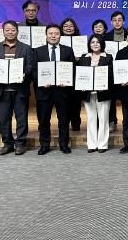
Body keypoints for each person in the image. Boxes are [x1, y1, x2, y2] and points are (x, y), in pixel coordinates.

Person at [0, 20, 34, 156]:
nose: (10, 32)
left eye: (13, 30)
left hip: (20, 89)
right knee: (4, 119)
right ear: (3, 31)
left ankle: (20, 143)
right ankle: (7, 143)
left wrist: (24, 73)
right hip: (2, 90)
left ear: (17, 31)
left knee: (21, 118)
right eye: (7, 30)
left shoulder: (26, 48)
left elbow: (30, 65)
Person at [32, 24, 76, 155]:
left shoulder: (68, 50)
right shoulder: (38, 51)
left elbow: (73, 69)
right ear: (46, 35)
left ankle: (64, 144)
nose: (53, 36)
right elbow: (34, 71)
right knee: (43, 120)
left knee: (64, 119)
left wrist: (67, 82)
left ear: (60, 35)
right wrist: (41, 82)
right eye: (50, 33)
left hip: (62, 91)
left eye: (56, 34)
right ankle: (44, 145)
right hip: (44, 91)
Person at [78, 34, 113, 153]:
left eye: (97, 42)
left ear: (102, 44)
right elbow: (80, 74)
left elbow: (111, 75)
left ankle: (102, 144)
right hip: (88, 93)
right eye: (92, 42)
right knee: (91, 118)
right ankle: (92, 144)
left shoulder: (108, 57)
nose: (95, 44)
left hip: (103, 93)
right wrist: (81, 85)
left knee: (103, 118)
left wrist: (104, 85)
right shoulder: (84, 57)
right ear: (89, 44)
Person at [61, 17, 83, 132]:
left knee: (76, 101)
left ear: (75, 28)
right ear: (61, 28)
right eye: (65, 26)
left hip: (77, 75)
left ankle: (76, 123)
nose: (68, 28)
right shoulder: (58, 41)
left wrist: (80, 58)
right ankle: (64, 123)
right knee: (64, 102)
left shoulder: (81, 41)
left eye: (71, 26)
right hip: (63, 74)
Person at [105, 12, 126, 133]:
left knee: (125, 98)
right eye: (114, 20)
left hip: (125, 70)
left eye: (119, 20)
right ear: (111, 22)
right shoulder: (106, 36)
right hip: (111, 70)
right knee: (111, 97)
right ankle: (112, 120)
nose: (117, 22)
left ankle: (127, 121)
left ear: (124, 22)